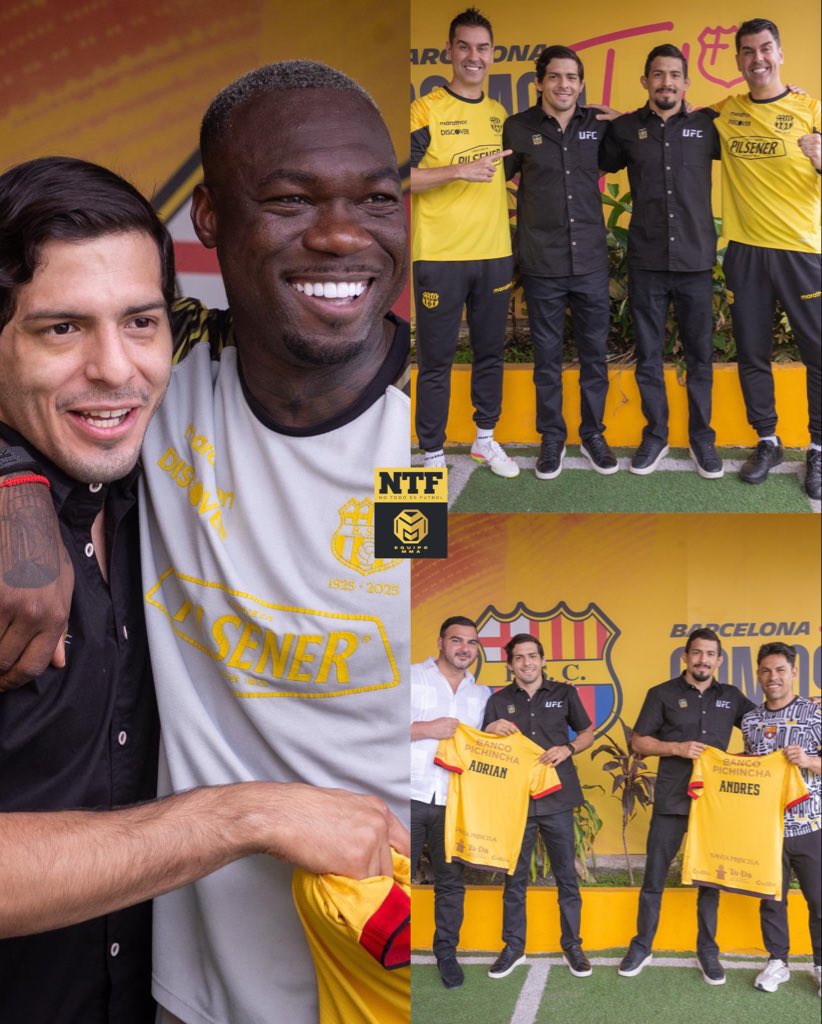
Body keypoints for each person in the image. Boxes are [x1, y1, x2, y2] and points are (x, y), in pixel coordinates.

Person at [0, 60, 411, 1024]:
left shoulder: (430, 451)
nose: (341, 233)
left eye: (375, 198)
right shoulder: (174, 372)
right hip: (186, 994)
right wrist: (14, 484)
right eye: (290, 199)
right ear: (213, 222)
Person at [599, 45, 724, 479]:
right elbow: (591, 159)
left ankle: (702, 438)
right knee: (649, 355)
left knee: (700, 356)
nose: (666, 82)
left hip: (695, 261)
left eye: (674, 75)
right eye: (658, 74)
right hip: (647, 261)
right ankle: (656, 435)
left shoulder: (709, 126)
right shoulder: (626, 129)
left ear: (686, 83)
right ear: (646, 81)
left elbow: (756, 128)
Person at [712, 18, 821, 498]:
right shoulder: (725, 111)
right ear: (738, 59)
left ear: (779, 53)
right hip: (746, 252)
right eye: (748, 51)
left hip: (802, 251)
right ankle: (768, 441)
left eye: (765, 49)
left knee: (818, 354)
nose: (757, 58)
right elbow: (672, 121)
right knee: (753, 352)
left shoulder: (811, 109)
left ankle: (818, 448)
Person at [410, 6, 519, 478]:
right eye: (465, 46)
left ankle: (484, 440)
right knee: (436, 360)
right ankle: (431, 452)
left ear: (492, 55)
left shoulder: (499, 114)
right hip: (440, 256)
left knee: (490, 353)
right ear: (449, 51)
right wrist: (458, 170)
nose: (474, 56)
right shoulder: (425, 108)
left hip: (494, 254)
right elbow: (398, 177)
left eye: (482, 48)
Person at [503, 45, 617, 480]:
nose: (563, 85)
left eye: (571, 77)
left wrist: (624, 118)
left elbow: (642, 140)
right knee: (547, 360)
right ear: (539, 83)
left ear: (581, 83)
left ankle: (593, 434)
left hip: (590, 262)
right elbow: (492, 178)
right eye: (554, 76)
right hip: (542, 263)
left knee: (594, 356)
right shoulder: (517, 128)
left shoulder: (599, 126)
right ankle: (552, 437)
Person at [619, 628, 755, 984]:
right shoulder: (661, 693)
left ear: (719, 660)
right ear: (685, 656)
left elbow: (765, 724)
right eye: (697, 653)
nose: (703, 660)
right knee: (654, 877)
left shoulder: (731, 696)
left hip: (714, 803)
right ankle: (642, 946)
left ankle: (707, 951)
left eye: (710, 654)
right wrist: (676, 748)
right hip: (671, 799)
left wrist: (804, 707)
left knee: (709, 880)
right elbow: (639, 742)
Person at [482, 632, 595, 978]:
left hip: (557, 798)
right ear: (510, 664)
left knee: (566, 877)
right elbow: (483, 746)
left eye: (532, 656)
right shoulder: (498, 700)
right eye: (519, 657)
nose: (526, 663)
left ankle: (572, 945)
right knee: (514, 878)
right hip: (515, 801)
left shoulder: (564, 693)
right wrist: (489, 729)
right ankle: (513, 947)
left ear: (543, 660)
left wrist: (568, 749)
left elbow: (587, 733)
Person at [410, 615, 489, 988]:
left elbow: (483, 746)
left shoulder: (481, 694)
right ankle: (383, 953)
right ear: (441, 642)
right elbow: (375, 726)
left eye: (472, 642)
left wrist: (494, 733)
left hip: (454, 800)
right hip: (408, 793)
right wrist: (425, 729)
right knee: (393, 879)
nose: (464, 648)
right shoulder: (412, 677)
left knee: (451, 883)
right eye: (457, 640)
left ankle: (446, 953)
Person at [741, 642, 821, 997]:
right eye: (766, 671)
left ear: (793, 673)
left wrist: (810, 761)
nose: (773, 677)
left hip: (810, 825)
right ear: (758, 675)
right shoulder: (750, 720)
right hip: (767, 829)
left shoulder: (815, 714)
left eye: (780, 670)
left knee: (819, 899)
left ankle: (820, 965)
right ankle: (777, 962)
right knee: (772, 899)